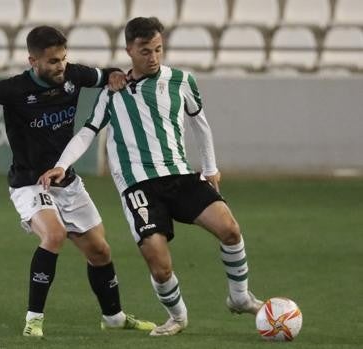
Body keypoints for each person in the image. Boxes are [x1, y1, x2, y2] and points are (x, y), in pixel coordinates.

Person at [39, 17, 264, 337]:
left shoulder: (182, 80)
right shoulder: (112, 92)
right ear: (129, 49)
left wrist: (210, 168)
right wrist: (62, 164)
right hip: (139, 185)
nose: (154, 57)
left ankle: (240, 297)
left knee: (229, 228)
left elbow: (200, 125)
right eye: (145, 50)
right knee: (158, 260)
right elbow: (88, 133)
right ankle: (178, 316)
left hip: (181, 175)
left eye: (159, 49)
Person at [0, 25, 155, 337]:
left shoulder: (74, 75)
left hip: (66, 181)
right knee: (54, 235)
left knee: (100, 251)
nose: (61, 67)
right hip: (29, 183)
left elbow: (107, 75)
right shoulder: (13, 89)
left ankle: (114, 317)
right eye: (53, 61)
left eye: (63, 59)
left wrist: (113, 75)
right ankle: (33, 321)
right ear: (33, 61)